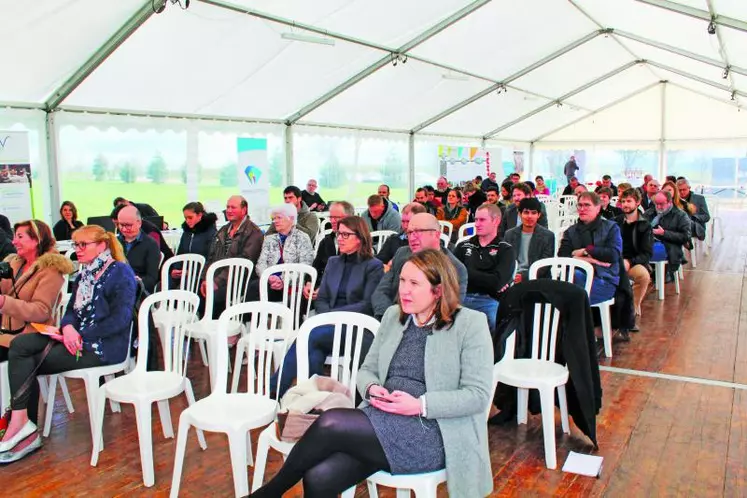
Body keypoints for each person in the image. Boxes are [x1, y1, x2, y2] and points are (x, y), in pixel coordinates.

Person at [249, 249, 494, 498]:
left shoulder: (470, 324)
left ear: (438, 290)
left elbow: (477, 395)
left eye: (414, 284)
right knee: (319, 478)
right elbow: (367, 370)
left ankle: (268, 493)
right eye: (402, 281)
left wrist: (420, 405)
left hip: (433, 430)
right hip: (382, 416)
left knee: (331, 422)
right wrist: (372, 388)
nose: (404, 290)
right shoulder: (393, 316)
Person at [0, 224, 134, 462]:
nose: (78, 250)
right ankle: (21, 421)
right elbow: (71, 312)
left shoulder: (120, 272)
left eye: (83, 245)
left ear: (102, 246)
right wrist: (70, 328)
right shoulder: (83, 274)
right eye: (75, 245)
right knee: (20, 346)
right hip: (74, 340)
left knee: (25, 361)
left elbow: (120, 321)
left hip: (103, 348)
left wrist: (80, 334)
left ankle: (22, 426)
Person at [270, 217, 384, 398]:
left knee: (309, 334)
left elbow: (367, 305)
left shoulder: (373, 266)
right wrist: (326, 317)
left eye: (346, 234)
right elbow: (322, 297)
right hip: (327, 324)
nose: (340, 238)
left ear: (360, 238)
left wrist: (331, 316)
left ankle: (272, 392)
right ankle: (320, 398)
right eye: (339, 233)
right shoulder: (333, 262)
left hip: (355, 328)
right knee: (313, 351)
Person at [371, 213, 467, 320]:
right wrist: (391, 318)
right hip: (390, 316)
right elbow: (381, 291)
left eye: (418, 231)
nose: (412, 237)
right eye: (410, 232)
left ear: (436, 234)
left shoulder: (455, 267)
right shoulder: (401, 253)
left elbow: (449, 309)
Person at [454, 203, 515, 332]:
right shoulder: (463, 246)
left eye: (482, 220)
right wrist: (488, 278)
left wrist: (466, 272)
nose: (477, 224)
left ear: (496, 221)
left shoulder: (505, 249)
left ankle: (491, 352)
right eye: (476, 219)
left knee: (493, 319)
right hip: (462, 297)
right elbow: (451, 274)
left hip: (489, 299)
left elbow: (497, 283)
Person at [200, 195, 263, 318]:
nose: (229, 211)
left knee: (213, 298)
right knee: (195, 295)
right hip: (216, 279)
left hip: (239, 282)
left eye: (233, 207)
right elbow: (211, 257)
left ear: (244, 210)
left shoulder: (253, 232)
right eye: (227, 207)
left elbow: (243, 264)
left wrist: (217, 282)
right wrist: (205, 279)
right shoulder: (222, 230)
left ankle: (220, 333)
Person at [558, 192, 622, 305]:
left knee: (566, 296)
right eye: (580, 205)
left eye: (587, 205)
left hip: (604, 279)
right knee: (564, 287)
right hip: (575, 278)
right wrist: (591, 260)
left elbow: (613, 255)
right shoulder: (571, 231)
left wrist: (586, 250)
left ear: (598, 208)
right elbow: (562, 256)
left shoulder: (611, 227)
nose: (582, 209)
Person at [247, 203, 314, 302]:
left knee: (258, 291)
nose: (275, 221)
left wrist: (283, 280)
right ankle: (250, 317)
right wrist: (269, 277)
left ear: (291, 218)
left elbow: (305, 266)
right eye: (274, 218)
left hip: (291, 284)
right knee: (253, 286)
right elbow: (260, 264)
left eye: (279, 218)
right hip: (270, 282)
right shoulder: (270, 239)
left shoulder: (302, 238)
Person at [303, 201, 355, 302]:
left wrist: (323, 290)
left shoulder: (356, 242)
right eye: (331, 217)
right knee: (296, 301)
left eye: (337, 217)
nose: (333, 221)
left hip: (342, 293)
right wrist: (309, 283)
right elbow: (316, 266)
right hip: (320, 287)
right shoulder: (326, 241)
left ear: (350, 218)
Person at [614, 189, 652, 324]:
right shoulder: (614, 222)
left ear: (638, 202)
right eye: (623, 201)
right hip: (614, 261)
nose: (625, 204)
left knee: (643, 276)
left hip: (633, 262)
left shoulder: (645, 225)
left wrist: (630, 261)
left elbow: (646, 254)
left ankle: (632, 310)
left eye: (629, 201)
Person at [504, 198, 555, 283]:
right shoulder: (509, 234)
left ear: (539, 215)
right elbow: (505, 260)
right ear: (520, 214)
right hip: (512, 277)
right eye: (526, 212)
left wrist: (524, 277)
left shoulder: (548, 236)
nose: (529, 216)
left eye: (534, 213)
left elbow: (544, 266)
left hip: (537, 279)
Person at [644, 190, 691, 282]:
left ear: (670, 202)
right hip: (648, 242)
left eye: (661, 204)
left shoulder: (680, 215)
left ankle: (654, 273)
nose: (658, 207)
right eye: (656, 203)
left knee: (651, 251)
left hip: (669, 245)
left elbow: (686, 236)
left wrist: (664, 233)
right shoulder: (649, 212)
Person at [171, 202, 217, 287]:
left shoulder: (211, 233)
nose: (187, 221)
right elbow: (180, 254)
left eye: (190, 217)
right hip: (184, 274)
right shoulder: (186, 232)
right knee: (162, 285)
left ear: (200, 215)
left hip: (200, 276)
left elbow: (210, 258)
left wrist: (191, 272)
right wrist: (176, 269)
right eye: (185, 218)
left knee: (183, 287)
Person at [117, 206, 159, 294]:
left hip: (137, 292)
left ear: (139, 223)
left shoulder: (151, 244)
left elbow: (152, 279)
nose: (124, 229)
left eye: (128, 225)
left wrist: (137, 282)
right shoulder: (114, 243)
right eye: (121, 225)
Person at [375, 203, 425, 268]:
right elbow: (380, 260)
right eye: (403, 221)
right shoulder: (393, 239)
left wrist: (396, 261)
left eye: (408, 221)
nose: (405, 225)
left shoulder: (427, 242)